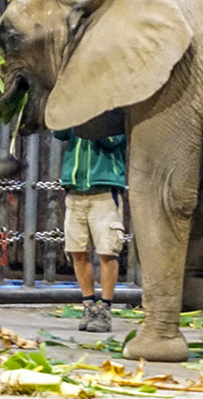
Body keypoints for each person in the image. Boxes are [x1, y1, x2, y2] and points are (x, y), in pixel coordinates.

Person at [53, 129, 127, 332]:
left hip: (104, 191)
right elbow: (59, 133)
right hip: (75, 191)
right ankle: (88, 304)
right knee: (77, 251)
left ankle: (105, 307)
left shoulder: (114, 112)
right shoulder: (77, 109)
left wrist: (91, 120)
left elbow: (112, 139)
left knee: (108, 252)